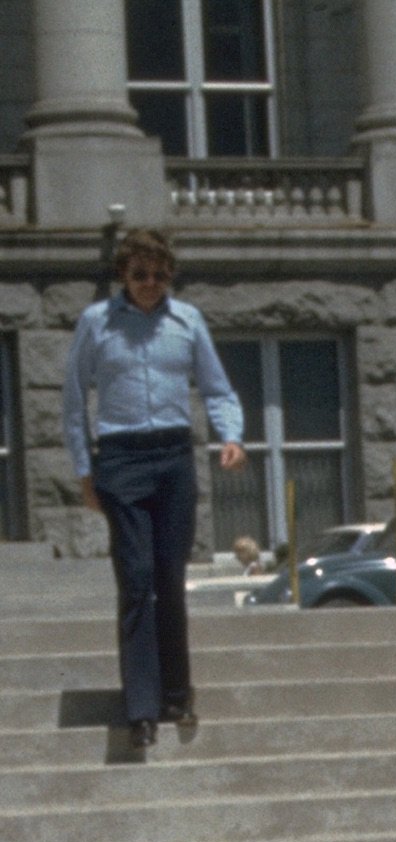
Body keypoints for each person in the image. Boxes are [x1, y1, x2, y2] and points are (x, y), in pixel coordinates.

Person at [65, 228, 246, 749]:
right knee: (136, 577)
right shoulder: (96, 323)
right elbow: (74, 401)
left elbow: (216, 388)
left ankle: (176, 693)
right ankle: (140, 707)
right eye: (140, 274)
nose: (150, 284)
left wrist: (230, 435)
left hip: (173, 456)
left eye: (160, 275)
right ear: (123, 274)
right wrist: (85, 472)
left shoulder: (187, 321)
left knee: (170, 576)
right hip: (120, 458)